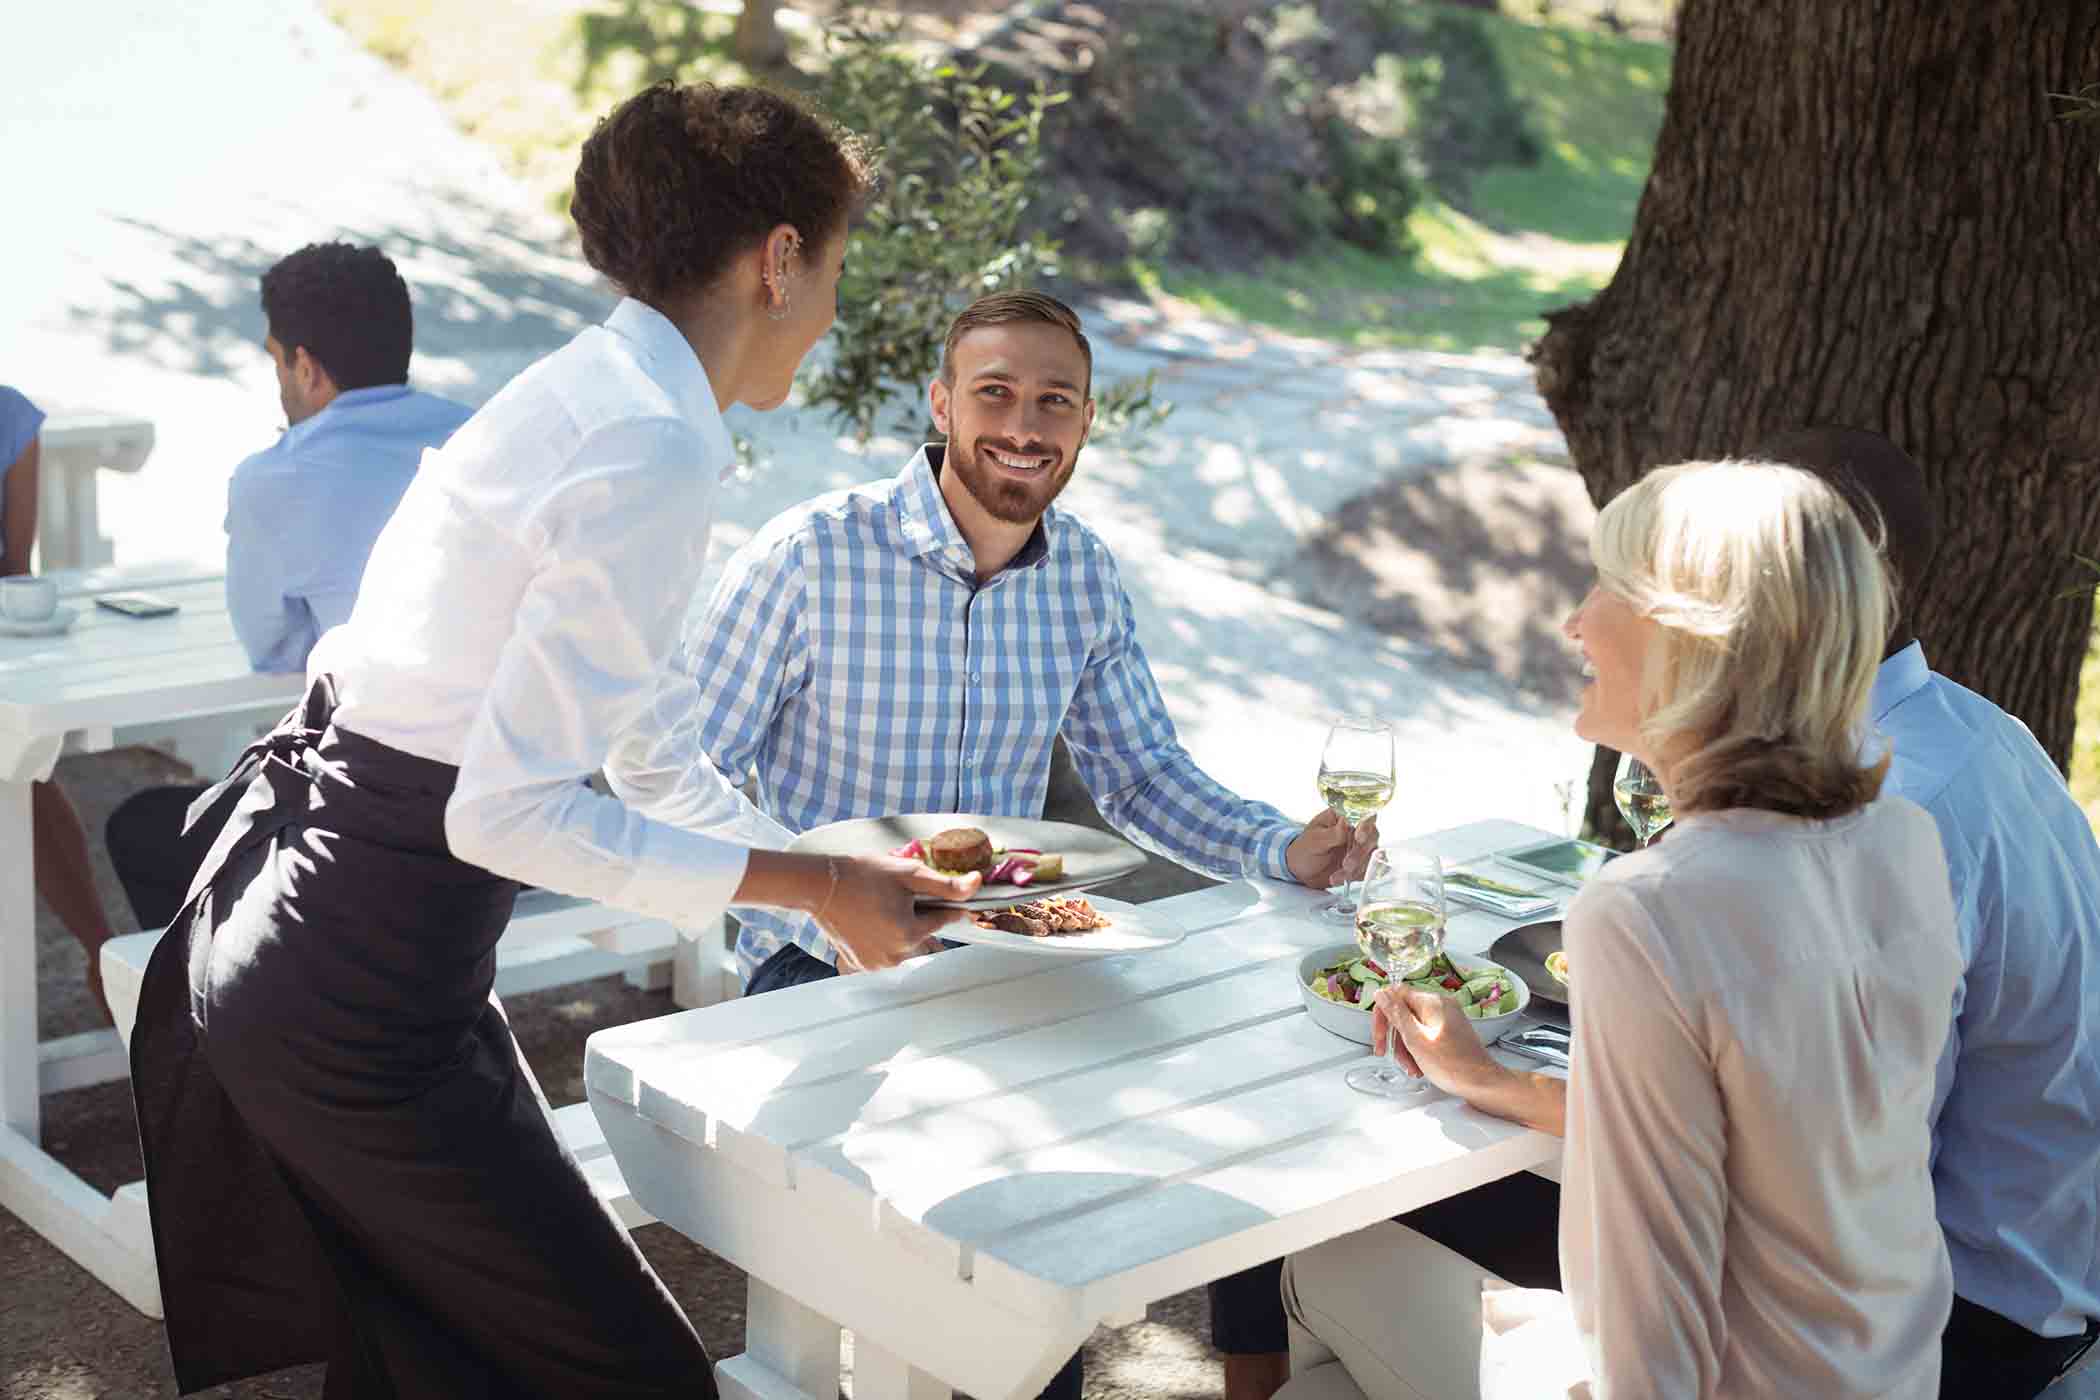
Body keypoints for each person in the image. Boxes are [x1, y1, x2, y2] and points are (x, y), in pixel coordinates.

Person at [128, 81, 979, 1398]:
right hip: (351, 987)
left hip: (351, 950)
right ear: (782, 258)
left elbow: (646, 748)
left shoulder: (610, 391)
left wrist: (835, 902)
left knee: (445, 1362)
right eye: (837, 266)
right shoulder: (644, 440)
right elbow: (504, 817)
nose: (830, 312)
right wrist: (811, 884)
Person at [660, 289, 1378, 1400]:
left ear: (1086, 422)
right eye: (994, 392)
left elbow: (1140, 774)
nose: (1024, 425)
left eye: (1056, 401)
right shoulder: (810, 554)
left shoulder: (1083, 575)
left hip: (1007, 963)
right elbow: (682, 770)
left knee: (1130, 1179)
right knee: (947, 1247)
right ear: (942, 402)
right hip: (821, 973)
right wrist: (812, 901)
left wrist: (1284, 848)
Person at [1278, 460, 1963, 1399]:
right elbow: (1778, 1141)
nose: (1574, 621)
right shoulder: (1903, 839)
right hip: (1881, 1373)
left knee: (1325, 1266)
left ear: (1688, 639)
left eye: (1606, 588)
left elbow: (1648, 1296)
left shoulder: (1649, 908)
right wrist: (1491, 1080)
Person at [1757, 427, 2100, 1398]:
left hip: (1971, 1337)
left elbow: (1845, 1173)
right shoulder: (1978, 731)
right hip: (2050, 1279)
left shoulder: (1885, 811)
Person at [103, 243, 472, 933]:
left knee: (144, 828)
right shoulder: (483, 436)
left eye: (276, 359)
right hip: (510, 802)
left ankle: (224, 1026)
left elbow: (272, 648)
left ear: (305, 366)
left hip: (387, 835)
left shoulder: (278, 477)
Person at [2, 385, 120, 1020]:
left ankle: (102, 953)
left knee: (25, 769)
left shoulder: (10, 416)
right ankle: (101, 952)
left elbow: (16, 572)